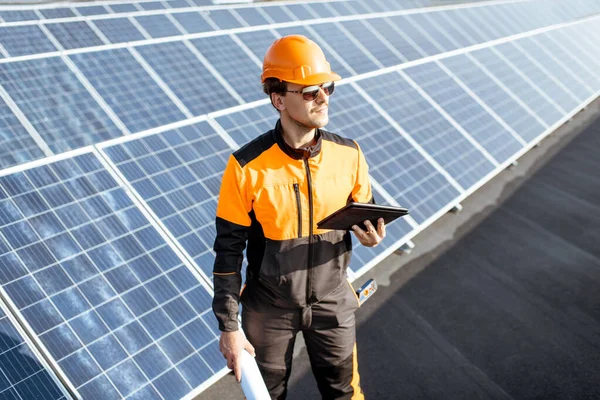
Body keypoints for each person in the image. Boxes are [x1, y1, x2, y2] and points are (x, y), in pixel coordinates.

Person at [212, 35, 385, 400]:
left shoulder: (350, 154)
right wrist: (229, 325)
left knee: (344, 393)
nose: (323, 98)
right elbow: (228, 254)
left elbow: (365, 215)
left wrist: (370, 235)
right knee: (267, 396)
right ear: (278, 99)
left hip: (333, 300)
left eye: (327, 87)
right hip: (268, 311)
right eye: (309, 92)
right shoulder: (246, 166)